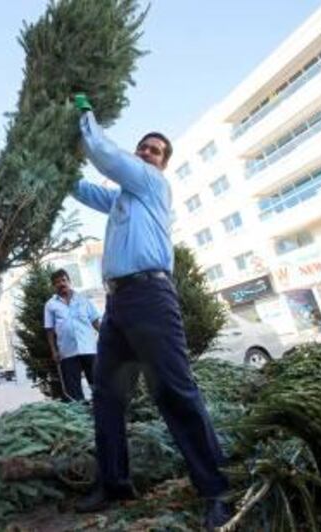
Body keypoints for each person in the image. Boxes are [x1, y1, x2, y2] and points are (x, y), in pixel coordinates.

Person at [69, 93, 231, 530]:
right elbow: (86, 189)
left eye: (154, 150)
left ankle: (216, 489)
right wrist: (58, 167)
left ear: (161, 163)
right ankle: (115, 483)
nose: (145, 151)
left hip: (152, 300)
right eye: (142, 146)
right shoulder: (125, 200)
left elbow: (105, 155)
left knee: (174, 391)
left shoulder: (153, 184)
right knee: (107, 394)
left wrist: (85, 118)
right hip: (119, 303)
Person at [44, 268, 100, 402]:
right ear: (53, 286)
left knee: (98, 384)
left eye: (63, 280)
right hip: (67, 352)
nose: (61, 284)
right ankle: (80, 416)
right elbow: (49, 330)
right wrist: (54, 351)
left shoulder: (83, 300)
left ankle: (101, 411)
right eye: (57, 282)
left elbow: (95, 322)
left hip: (89, 348)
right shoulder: (50, 305)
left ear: (69, 281)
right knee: (73, 390)